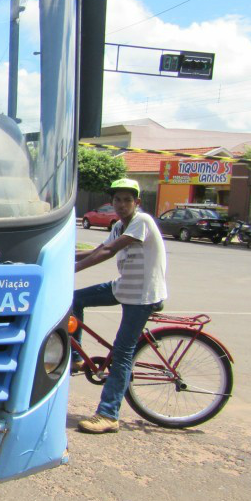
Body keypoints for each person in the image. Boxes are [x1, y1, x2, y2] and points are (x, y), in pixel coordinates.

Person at [72, 178, 167, 434]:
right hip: (123, 288)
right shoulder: (119, 226)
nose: (122, 204)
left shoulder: (141, 222)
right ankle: (76, 359)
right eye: (117, 200)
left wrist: (72, 270)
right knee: (74, 300)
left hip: (142, 296)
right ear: (112, 203)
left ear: (137, 202)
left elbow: (108, 252)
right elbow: (98, 249)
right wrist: (61, 258)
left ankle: (108, 414)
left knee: (123, 354)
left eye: (127, 200)